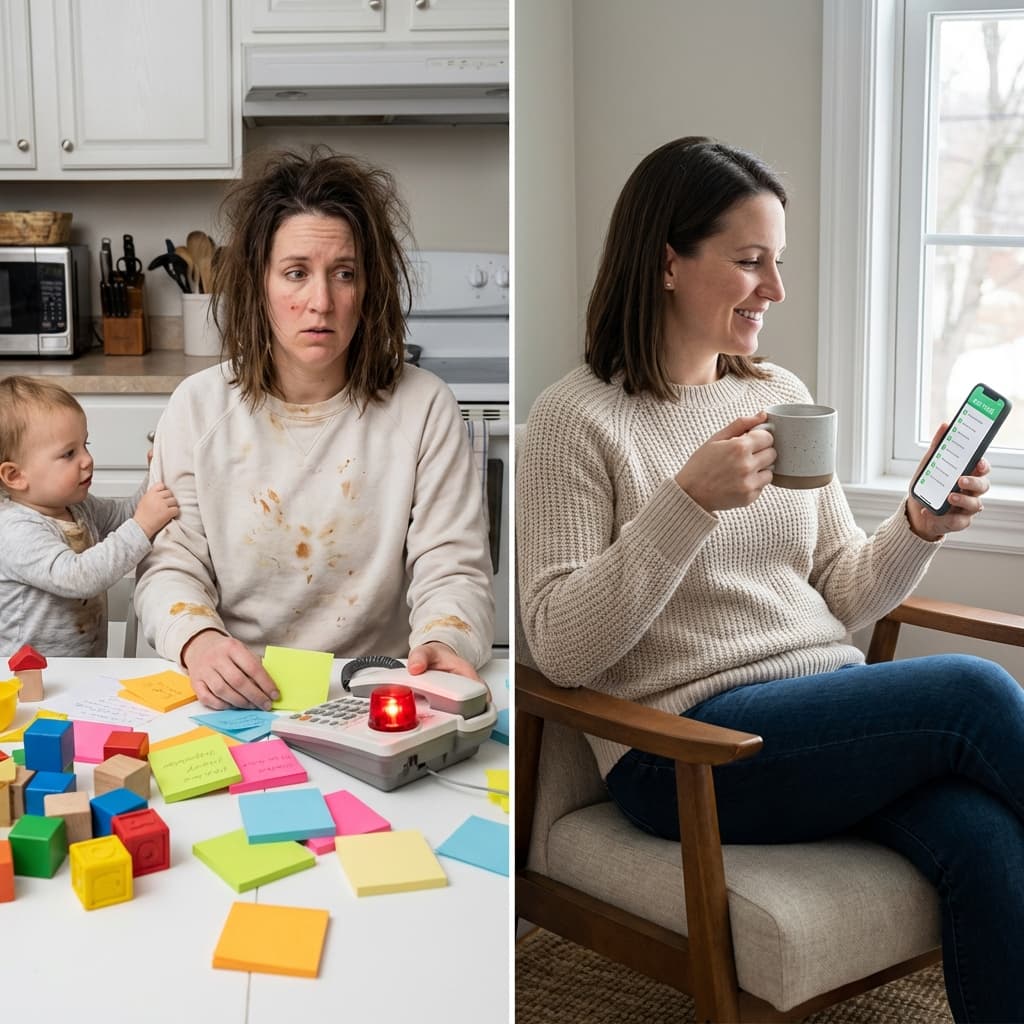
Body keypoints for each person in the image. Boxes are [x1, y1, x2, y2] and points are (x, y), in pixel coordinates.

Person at [517, 136, 1023, 1023]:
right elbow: (559, 646)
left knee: (981, 840)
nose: (775, 290)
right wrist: (686, 504)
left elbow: (840, 589)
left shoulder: (778, 392)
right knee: (971, 692)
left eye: (776, 262)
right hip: (682, 748)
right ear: (668, 261)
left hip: (821, 716)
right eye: (750, 262)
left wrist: (916, 525)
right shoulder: (574, 421)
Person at [135, 148, 494, 712]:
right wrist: (198, 641)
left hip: (379, 691)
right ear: (260, 284)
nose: (321, 302)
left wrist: (444, 638)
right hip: (236, 694)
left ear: (368, 288)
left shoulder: (425, 407)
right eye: (296, 273)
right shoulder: (197, 408)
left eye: (344, 274)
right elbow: (171, 566)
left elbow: (453, 567)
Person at [0, 376, 179, 657]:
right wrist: (143, 526)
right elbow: (78, 576)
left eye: (86, 444)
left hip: (82, 672)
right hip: (29, 682)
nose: (87, 459)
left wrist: (153, 476)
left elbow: (124, 515)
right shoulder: (15, 531)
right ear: (15, 476)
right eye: (69, 454)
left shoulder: (77, 507)